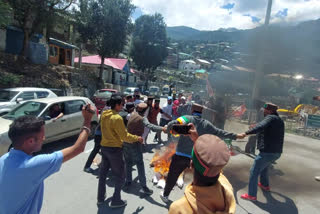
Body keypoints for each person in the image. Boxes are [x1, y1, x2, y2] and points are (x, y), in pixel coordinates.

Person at [0, 104, 95, 214]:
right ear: (30, 141)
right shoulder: (31, 166)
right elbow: (77, 149)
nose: (44, 138)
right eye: (42, 136)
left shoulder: (4, 159)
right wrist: (87, 119)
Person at [160, 103, 243, 203]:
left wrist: (167, 128)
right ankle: (198, 203)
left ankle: (165, 195)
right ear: (202, 112)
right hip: (196, 157)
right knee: (199, 181)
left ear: (192, 110)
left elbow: (173, 124)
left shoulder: (186, 118)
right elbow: (220, 132)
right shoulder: (206, 124)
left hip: (181, 155)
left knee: (173, 175)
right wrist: (236, 136)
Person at [168, 134, 236, 214]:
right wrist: (198, 142)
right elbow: (213, 164)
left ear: (191, 164)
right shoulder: (227, 189)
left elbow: (210, 164)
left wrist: (197, 143)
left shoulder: (179, 208)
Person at [98, 95, 143, 208]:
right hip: (114, 150)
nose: (123, 106)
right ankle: (116, 200)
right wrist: (137, 138)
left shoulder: (104, 114)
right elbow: (124, 136)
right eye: (121, 104)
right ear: (117, 105)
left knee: (103, 174)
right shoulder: (116, 118)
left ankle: (100, 198)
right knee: (120, 175)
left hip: (104, 147)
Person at [239, 103, 285, 201]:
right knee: (264, 168)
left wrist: (245, 133)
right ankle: (265, 185)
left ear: (270, 111)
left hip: (268, 152)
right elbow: (265, 127)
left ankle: (251, 195)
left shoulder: (270, 118)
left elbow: (261, 127)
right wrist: (257, 125)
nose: (264, 112)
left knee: (253, 172)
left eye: (265, 110)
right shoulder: (279, 120)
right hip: (276, 153)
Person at [123, 103, 166, 194]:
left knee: (128, 162)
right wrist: (162, 128)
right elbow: (151, 126)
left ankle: (128, 182)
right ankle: (144, 187)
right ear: (146, 110)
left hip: (126, 142)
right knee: (139, 164)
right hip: (135, 142)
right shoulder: (143, 118)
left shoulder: (132, 114)